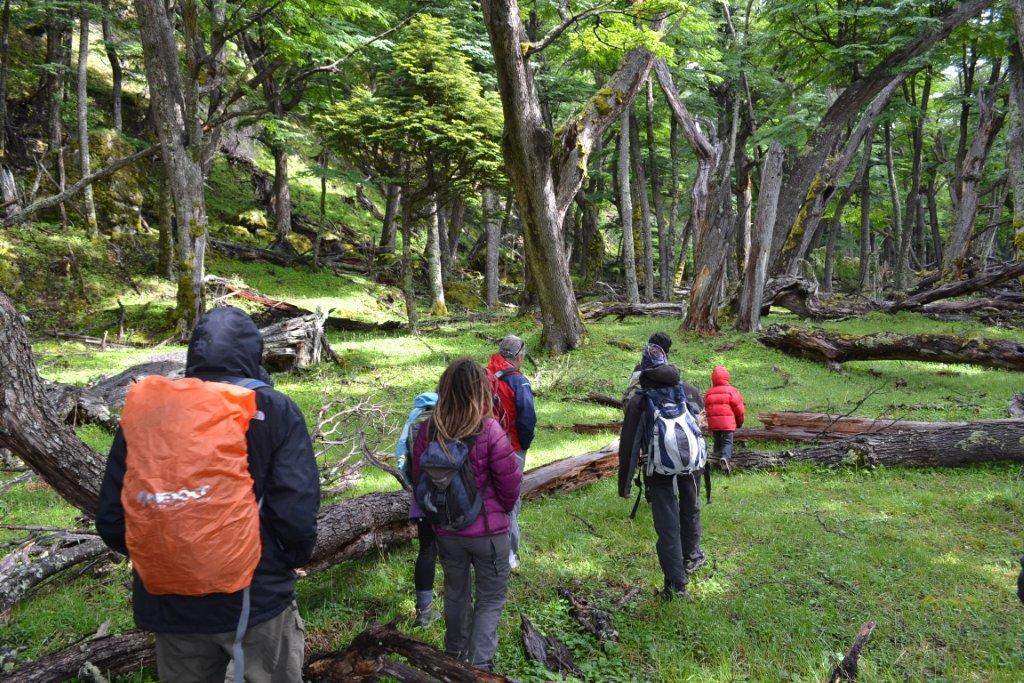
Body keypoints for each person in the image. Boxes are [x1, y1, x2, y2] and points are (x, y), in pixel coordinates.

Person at [96, 307, 320, 683]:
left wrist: (167, 554)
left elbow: (112, 519)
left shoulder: (149, 411)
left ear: (193, 353)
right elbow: (295, 510)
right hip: (256, 598)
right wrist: (286, 564)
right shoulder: (273, 409)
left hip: (171, 602)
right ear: (254, 352)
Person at [411, 358, 522, 670]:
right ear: (480, 390)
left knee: (456, 595)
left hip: (447, 531)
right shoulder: (490, 429)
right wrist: (500, 511)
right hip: (489, 533)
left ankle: (455, 657)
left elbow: (418, 477)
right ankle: (480, 667)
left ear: (445, 389)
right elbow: (510, 484)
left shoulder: (429, 430)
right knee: (490, 598)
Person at [618, 342, 707, 600]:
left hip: (658, 468)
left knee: (667, 523)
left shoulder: (640, 400)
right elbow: (698, 427)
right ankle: (692, 556)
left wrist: (624, 484)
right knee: (690, 507)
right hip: (691, 465)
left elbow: (629, 445)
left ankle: (676, 585)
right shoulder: (686, 389)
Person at [486, 334, 535, 568]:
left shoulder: (485, 374)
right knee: (510, 499)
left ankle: (485, 548)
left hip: (484, 445)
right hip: (511, 447)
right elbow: (527, 418)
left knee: (488, 495)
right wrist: (524, 445)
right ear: (518, 356)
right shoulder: (519, 381)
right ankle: (509, 555)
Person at [396, 391, 442, 627]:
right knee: (455, 552)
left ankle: (424, 612)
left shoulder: (413, 421)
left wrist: (412, 485)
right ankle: (460, 607)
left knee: (426, 550)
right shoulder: (447, 417)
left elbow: (401, 458)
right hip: (449, 498)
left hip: (422, 496)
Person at [703, 365, 745, 471]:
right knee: (727, 442)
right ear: (727, 377)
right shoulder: (732, 391)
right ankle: (725, 458)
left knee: (717, 441)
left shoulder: (709, 393)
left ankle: (714, 462)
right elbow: (739, 409)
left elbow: (707, 409)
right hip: (727, 424)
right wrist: (739, 423)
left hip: (714, 424)